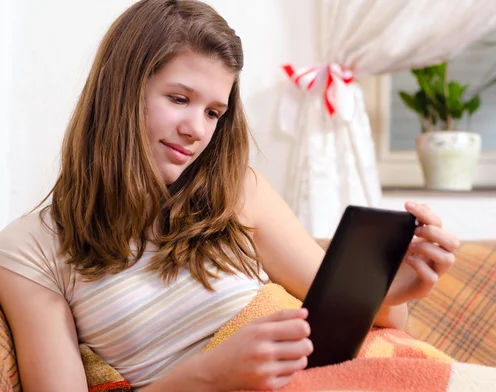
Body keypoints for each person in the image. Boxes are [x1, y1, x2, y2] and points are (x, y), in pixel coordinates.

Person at [0, 0, 460, 391]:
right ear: (119, 91)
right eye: (179, 99)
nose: (196, 129)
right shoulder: (29, 251)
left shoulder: (237, 190)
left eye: (213, 111)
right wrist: (207, 375)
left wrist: (399, 286)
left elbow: (367, 321)